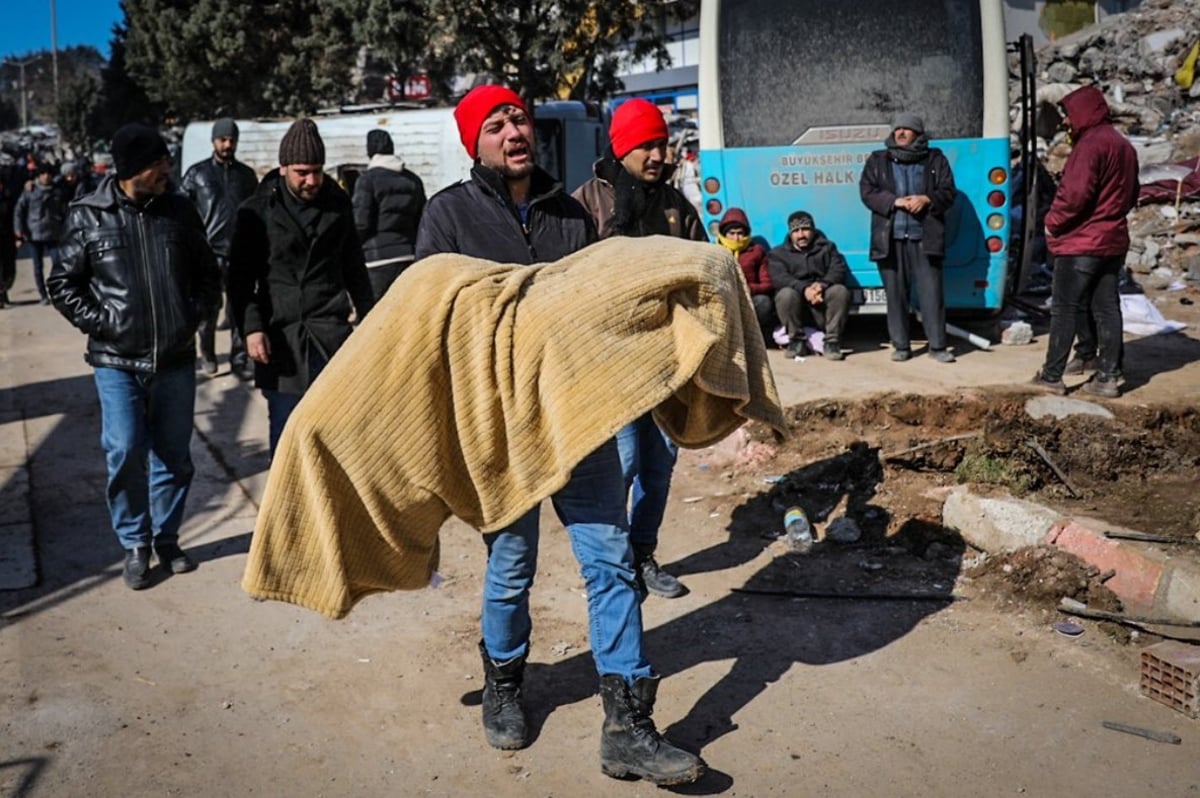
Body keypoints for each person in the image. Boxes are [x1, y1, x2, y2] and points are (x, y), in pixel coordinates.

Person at [415, 85, 705, 786]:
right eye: (495, 123)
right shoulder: (447, 215)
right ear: (473, 143)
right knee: (511, 565)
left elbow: (596, 309)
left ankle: (628, 727)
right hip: (504, 429)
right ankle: (505, 683)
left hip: (579, 418)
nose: (514, 129)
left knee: (608, 563)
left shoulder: (568, 213)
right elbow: (427, 326)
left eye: (518, 117)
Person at [47, 123, 221, 590]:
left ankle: (166, 538)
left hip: (176, 359)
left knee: (174, 456)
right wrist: (103, 323)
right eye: (157, 163)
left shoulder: (180, 211)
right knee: (124, 450)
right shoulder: (88, 215)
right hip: (117, 362)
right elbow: (62, 282)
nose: (167, 170)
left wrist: (195, 315)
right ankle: (135, 543)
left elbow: (208, 273)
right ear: (131, 171)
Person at [573, 97, 707, 601]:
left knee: (659, 463)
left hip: (670, 361)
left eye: (662, 144)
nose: (657, 154)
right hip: (614, 365)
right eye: (646, 145)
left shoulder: (675, 204)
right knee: (622, 464)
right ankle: (611, 567)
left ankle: (642, 553)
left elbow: (703, 264)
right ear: (623, 147)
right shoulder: (586, 203)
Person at [228, 118, 375, 457]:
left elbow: (354, 265)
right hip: (281, 339)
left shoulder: (337, 205)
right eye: (302, 172)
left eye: (317, 171)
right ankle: (289, 507)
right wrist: (252, 329)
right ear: (283, 168)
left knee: (336, 432)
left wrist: (369, 317)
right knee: (287, 432)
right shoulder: (256, 211)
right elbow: (239, 279)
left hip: (330, 334)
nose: (312, 181)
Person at [1031, 86, 1139, 398]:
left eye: (1068, 115)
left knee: (1065, 308)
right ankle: (1107, 376)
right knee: (1107, 307)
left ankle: (1052, 375)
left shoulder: (1090, 145)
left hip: (1082, 242)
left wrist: (1052, 223)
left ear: (1082, 112)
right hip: (1113, 240)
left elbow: (1074, 195)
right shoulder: (1123, 144)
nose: (1066, 122)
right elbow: (1132, 194)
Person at [859, 113, 958, 363]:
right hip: (889, 239)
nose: (901, 133)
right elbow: (867, 192)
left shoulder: (935, 159)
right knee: (896, 295)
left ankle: (937, 347)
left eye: (907, 129)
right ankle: (901, 346)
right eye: (898, 129)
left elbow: (948, 192)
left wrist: (927, 199)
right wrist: (893, 202)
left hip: (925, 237)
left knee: (931, 295)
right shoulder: (878, 160)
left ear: (918, 134)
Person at [181, 117, 260, 379]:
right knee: (208, 311)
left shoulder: (246, 176)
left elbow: (256, 210)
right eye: (222, 139)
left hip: (240, 252)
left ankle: (239, 360)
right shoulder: (197, 174)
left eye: (231, 140)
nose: (227, 144)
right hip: (208, 254)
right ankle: (209, 355)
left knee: (239, 309)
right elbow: (182, 213)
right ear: (213, 141)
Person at [351, 128, 426, 300]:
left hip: (377, 260)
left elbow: (360, 223)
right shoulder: (413, 179)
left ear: (369, 151)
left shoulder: (367, 180)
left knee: (377, 316)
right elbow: (423, 219)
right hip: (409, 257)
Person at [767, 210, 851, 361]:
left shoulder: (827, 248)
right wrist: (804, 289)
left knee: (840, 291)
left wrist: (821, 285)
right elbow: (780, 278)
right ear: (790, 233)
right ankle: (796, 341)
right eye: (796, 231)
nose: (801, 235)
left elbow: (838, 270)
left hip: (821, 306)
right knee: (785, 294)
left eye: (805, 229)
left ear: (812, 230)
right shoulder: (778, 254)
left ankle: (832, 342)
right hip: (796, 310)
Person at [716, 207, 775, 346]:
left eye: (740, 233)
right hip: (725, 296)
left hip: (750, 298)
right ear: (724, 234)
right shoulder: (716, 251)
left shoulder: (756, 251)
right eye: (732, 233)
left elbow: (767, 283)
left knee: (763, 303)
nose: (736, 238)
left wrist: (749, 289)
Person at [12, 164, 66, 305]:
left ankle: (57, 292)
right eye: (43, 174)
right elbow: (19, 210)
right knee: (37, 267)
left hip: (54, 233)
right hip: (34, 234)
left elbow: (64, 210)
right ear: (39, 176)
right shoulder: (30, 190)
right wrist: (19, 230)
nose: (46, 176)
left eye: (48, 174)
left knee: (57, 264)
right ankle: (43, 294)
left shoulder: (57, 190)